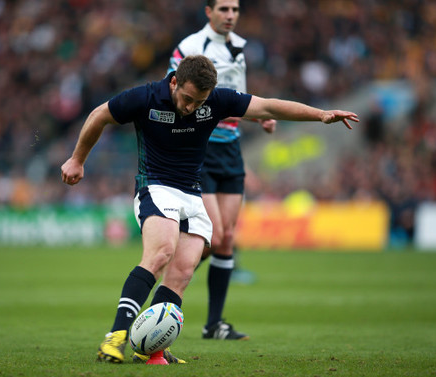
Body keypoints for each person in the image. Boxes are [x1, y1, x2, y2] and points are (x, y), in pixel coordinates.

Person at [61, 55, 358, 364]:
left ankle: (151, 350)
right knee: (161, 253)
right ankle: (116, 336)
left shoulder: (217, 100)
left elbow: (268, 106)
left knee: (182, 272)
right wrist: (77, 159)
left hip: (192, 193)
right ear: (174, 81)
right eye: (187, 98)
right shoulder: (145, 97)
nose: (191, 107)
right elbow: (99, 115)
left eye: (198, 101)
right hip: (156, 187)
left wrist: (321, 115)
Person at [167, 0, 276, 341]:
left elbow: (236, 97)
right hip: (202, 147)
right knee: (213, 237)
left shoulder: (239, 47)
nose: (231, 15)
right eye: (224, 9)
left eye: (235, 9)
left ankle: (214, 324)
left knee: (227, 238)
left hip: (231, 146)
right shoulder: (189, 47)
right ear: (208, 11)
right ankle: (166, 293)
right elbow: (172, 91)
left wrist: (258, 115)